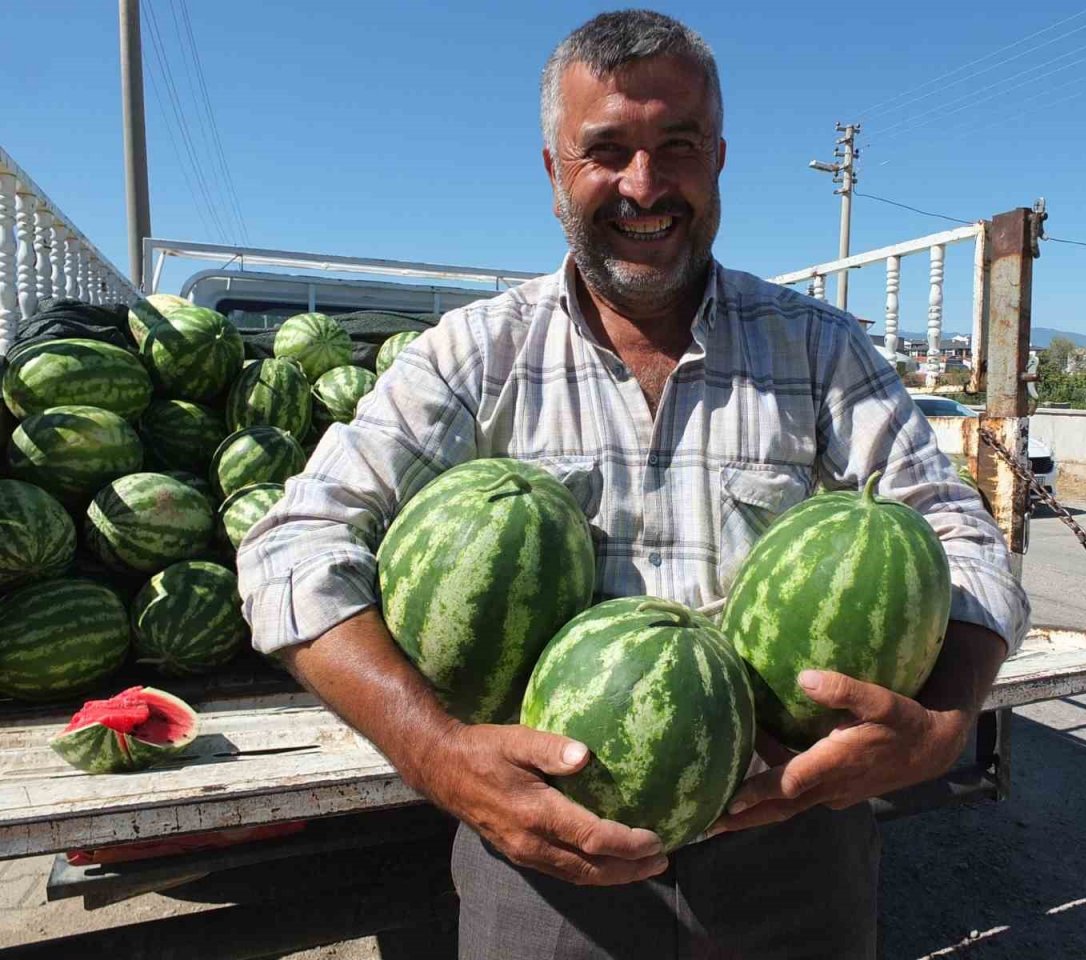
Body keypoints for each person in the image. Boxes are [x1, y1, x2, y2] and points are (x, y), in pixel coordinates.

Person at [238, 10, 1029, 959]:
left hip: (791, 842)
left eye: (678, 146)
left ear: (720, 158)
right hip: (545, 855)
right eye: (606, 150)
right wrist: (439, 755)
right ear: (552, 169)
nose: (645, 186)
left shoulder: (820, 349)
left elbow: (960, 534)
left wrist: (944, 717)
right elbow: (292, 547)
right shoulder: (475, 354)